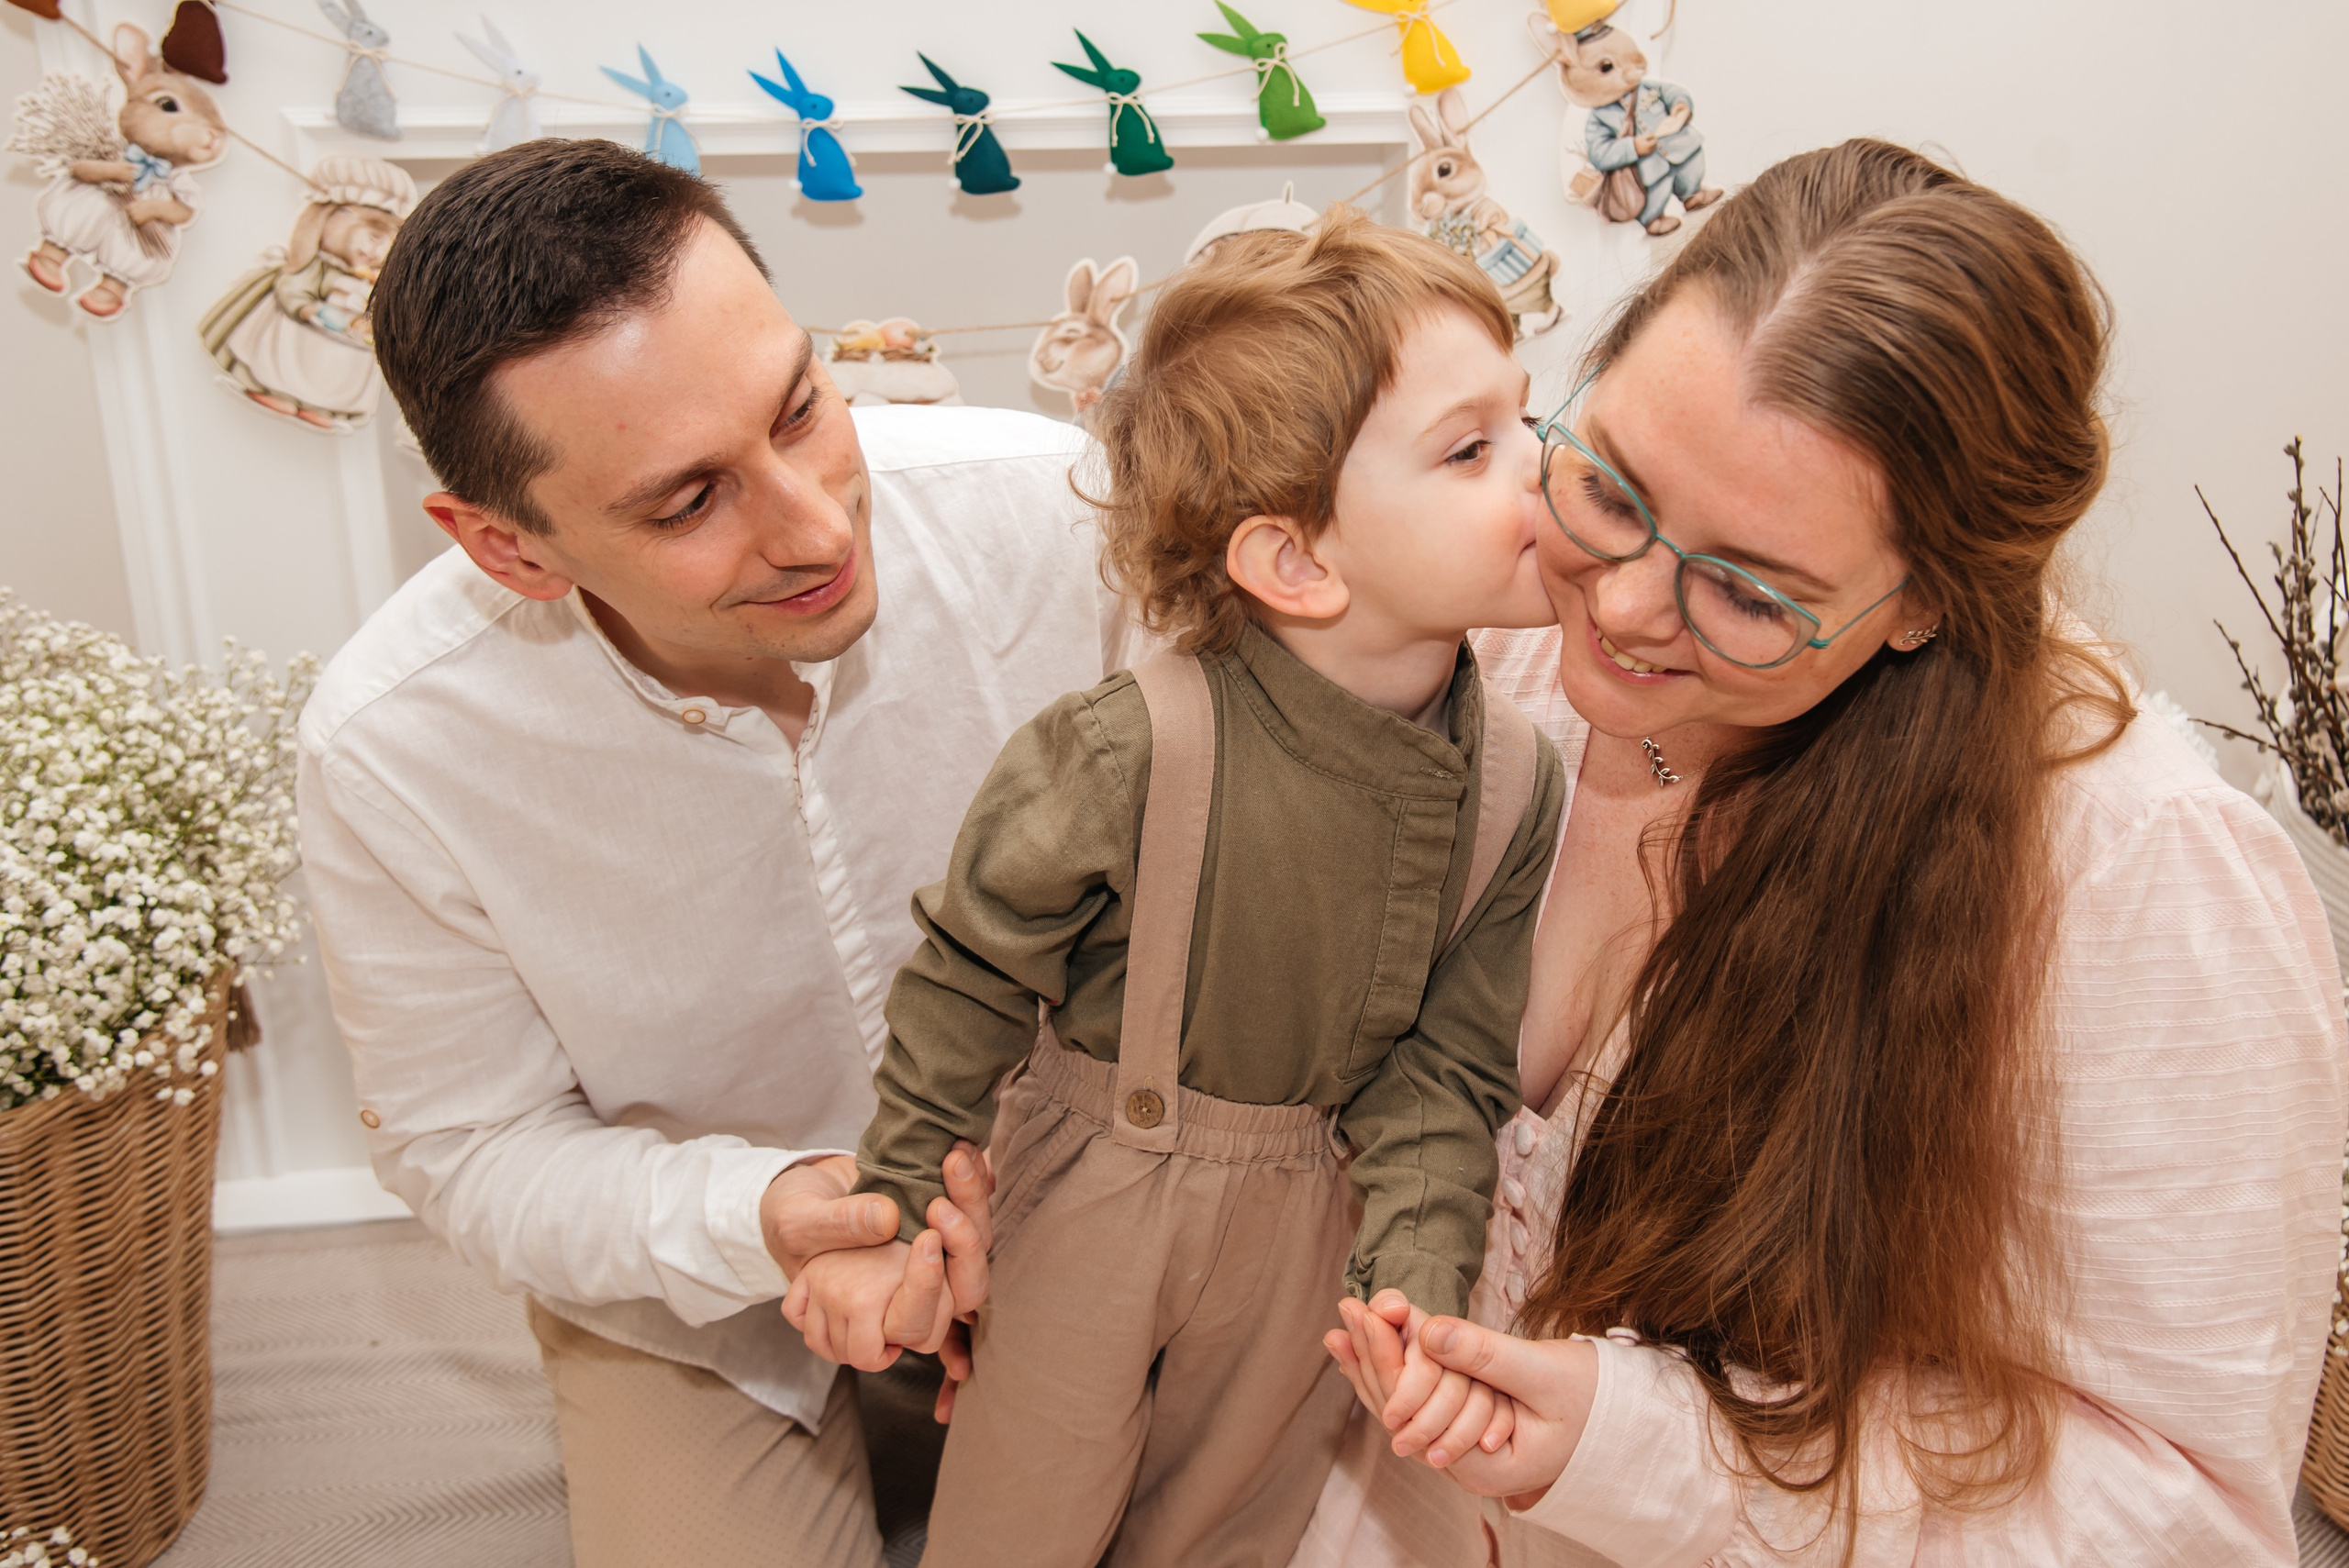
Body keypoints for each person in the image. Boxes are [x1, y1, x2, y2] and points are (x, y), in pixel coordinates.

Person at [1297, 139, 2349, 1565]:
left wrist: (1646, 1450)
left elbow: (2184, 1519)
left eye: (1744, 591)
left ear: (1924, 605)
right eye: (1609, 483)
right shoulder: (1484, 646)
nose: (1619, 604)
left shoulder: (2131, 874)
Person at [296, 139, 1122, 1568]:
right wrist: (768, 1214)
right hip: (702, 1297)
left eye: (801, 408)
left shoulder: (1060, 515)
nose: (815, 525)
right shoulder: (390, 746)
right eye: (686, 503)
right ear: (507, 548)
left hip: (1097, 1221)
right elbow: (471, 1146)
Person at [787, 209, 1567, 1568]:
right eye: (1470, 448)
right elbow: (968, 979)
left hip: (1308, 1228)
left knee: (1232, 1527)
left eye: (1528, 418)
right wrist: (903, 1203)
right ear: (1297, 561)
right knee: (1022, 1517)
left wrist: (1413, 1291)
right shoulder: (1121, 748)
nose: (1545, 472)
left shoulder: (1517, 777)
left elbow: (1444, 1071)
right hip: (1101, 1188)